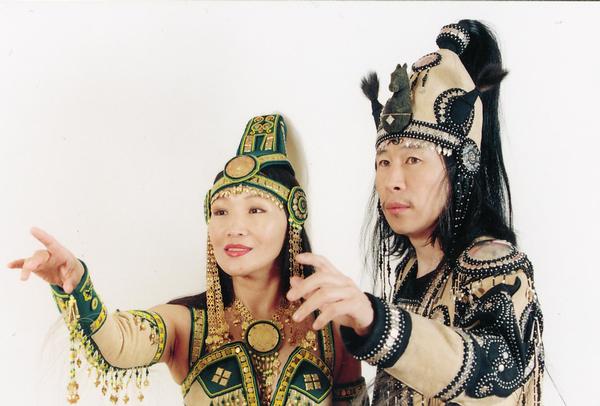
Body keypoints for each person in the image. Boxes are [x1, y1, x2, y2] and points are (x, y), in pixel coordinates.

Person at [8, 114, 367, 405]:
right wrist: (74, 284)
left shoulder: (332, 331)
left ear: (292, 220)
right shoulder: (188, 326)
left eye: (255, 210)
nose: (234, 228)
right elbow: (116, 343)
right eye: (221, 212)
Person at [287, 21, 544, 405]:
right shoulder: (410, 270)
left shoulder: (493, 263)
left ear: (462, 166)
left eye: (413, 160)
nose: (393, 180)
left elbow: (500, 379)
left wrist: (376, 322)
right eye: (384, 161)